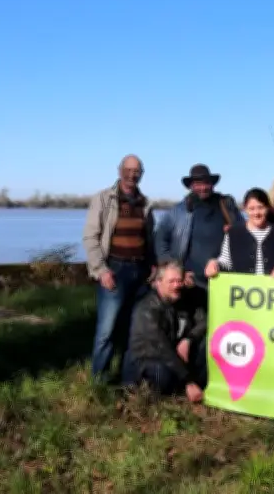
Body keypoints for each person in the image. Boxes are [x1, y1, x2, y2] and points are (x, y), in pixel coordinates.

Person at [82, 154, 157, 382]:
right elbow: (90, 237)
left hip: (140, 273)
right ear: (120, 171)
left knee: (132, 330)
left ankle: (128, 381)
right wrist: (101, 270)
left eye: (137, 171)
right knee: (107, 331)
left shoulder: (146, 204)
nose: (132, 175)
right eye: (129, 170)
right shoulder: (103, 199)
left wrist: (153, 267)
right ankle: (99, 382)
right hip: (114, 270)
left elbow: (149, 239)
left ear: (141, 175)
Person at [155, 164, 243, 318]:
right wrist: (176, 270)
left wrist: (234, 230)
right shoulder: (179, 211)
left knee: (221, 322)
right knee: (193, 323)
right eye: (197, 184)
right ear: (191, 186)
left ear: (212, 184)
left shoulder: (226, 206)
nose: (202, 187)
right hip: (191, 280)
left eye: (206, 183)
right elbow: (160, 239)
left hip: (222, 278)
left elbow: (245, 233)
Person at [124, 261, 207, 403]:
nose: (177, 285)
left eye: (179, 281)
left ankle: (191, 385)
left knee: (206, 345)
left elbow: (204, 321)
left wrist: (188, 339)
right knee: (163, 376)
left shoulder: (182, 299)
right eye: (171, 281)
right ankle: (142, 394)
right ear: (158, 282)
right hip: (147, 360)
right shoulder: (147, 309)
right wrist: (188, 381)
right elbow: (162, 348)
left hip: (174, 356)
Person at [206, 188, 274, 277]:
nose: (256, 213)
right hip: (242, 288)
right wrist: (215, 263)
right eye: (251, 209)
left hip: (271, 288)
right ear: (245, 209)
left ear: (268, 208)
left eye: (261, 207)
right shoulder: (233, 233)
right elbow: (226, 261)